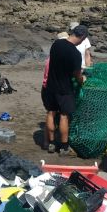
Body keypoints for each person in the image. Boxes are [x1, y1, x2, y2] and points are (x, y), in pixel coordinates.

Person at [43, 25, 88, 156]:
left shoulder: (57, 44)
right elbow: (77, 75)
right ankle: (64, 147)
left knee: (51, 113)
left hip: (50, 86)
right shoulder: (75, 54)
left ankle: (51, 143)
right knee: (64, 116)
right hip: (64, 88)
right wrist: (82, 80)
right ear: (82, 38)